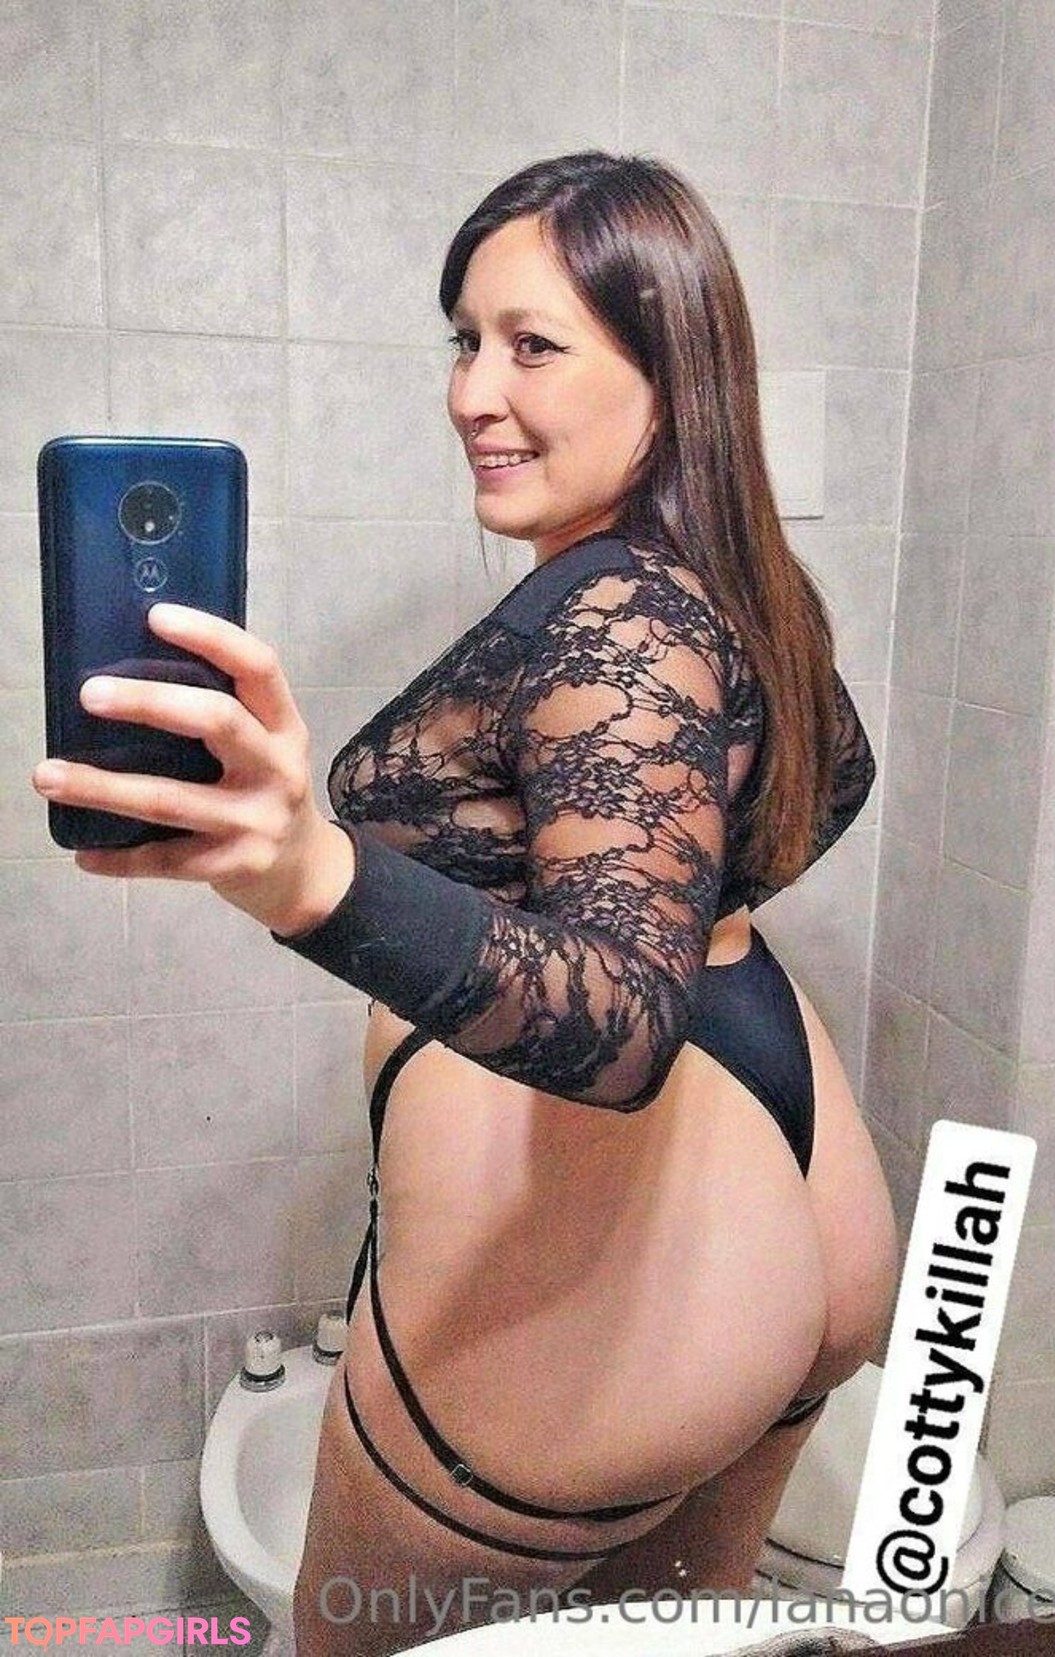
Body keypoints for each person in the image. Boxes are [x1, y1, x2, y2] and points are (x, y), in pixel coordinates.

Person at [33, 151, 897, 1656]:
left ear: (670, 375)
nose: (472, 394)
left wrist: (313, 873)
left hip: (620, 1269)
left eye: (533, 346)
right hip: (791, 1186)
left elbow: (620, 1030)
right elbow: (837, 780)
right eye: (465, 339)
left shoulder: (616, 614)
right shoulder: (735, 581)